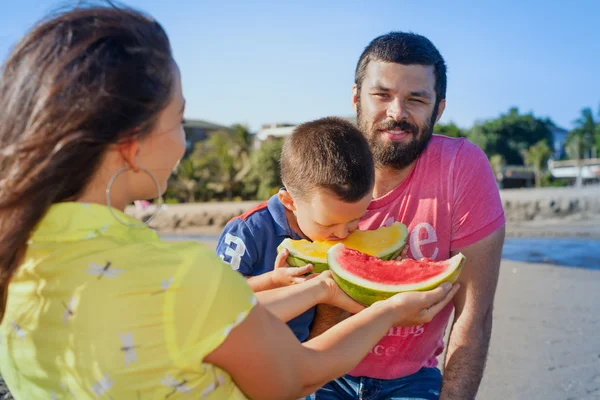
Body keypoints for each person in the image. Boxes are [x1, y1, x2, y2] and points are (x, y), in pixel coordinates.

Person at [0, 8, 460, 399]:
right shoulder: (179, 275)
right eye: (179, 116)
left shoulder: (15, 254)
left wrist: (317, 290)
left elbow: (199, 322)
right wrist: (390, 311)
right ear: (130, 143)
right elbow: (292, 375)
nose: (183, 138)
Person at [310, 32, 506, 400]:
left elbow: (473, 316)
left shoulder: (462, 168)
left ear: (439, 109)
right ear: (356, 98)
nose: (397, 113)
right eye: (382, 95)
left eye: (416, 99)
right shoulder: (323, 165)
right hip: (324, 367)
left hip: (412, 379)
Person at [216, 116, 376, 342]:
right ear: (289, 201)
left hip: (305, 356)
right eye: (327, 224)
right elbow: (218, 297)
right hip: (250, 356)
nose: (342, 234)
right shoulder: (247, 231)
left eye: (355, 220)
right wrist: (273, 281)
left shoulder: (339, 222)